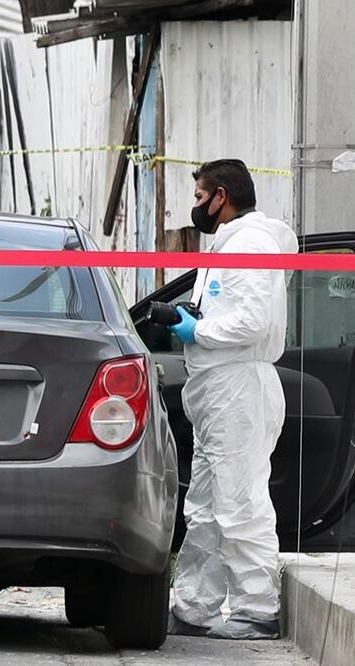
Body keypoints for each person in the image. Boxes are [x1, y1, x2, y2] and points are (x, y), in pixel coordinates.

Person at [167, 159, 298, 640]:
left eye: (200, 196)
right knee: (204, 506)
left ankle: (257, 609)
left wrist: (197, 330)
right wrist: (196, 322)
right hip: (216, 390)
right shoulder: (228, 245)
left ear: (221, 195)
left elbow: (254, 322)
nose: (196, 206)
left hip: (238, 388)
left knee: (240, 501)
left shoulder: (250, 245)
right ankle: (194, 607)